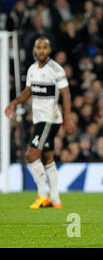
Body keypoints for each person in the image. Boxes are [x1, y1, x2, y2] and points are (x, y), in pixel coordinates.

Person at [4, 36, 74, 209]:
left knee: (31, 155)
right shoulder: (32, 69)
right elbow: (29, 91)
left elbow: (65, 94)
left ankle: (42, 194)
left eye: (45, 48)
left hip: (49, 119)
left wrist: (69, 119)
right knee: (47, 157)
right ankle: (56, 200)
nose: (41, 51)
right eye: (39, 48)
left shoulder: (56, 70)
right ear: (35, 50)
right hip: (39, 119)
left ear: (49, 51)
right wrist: (14, 102)